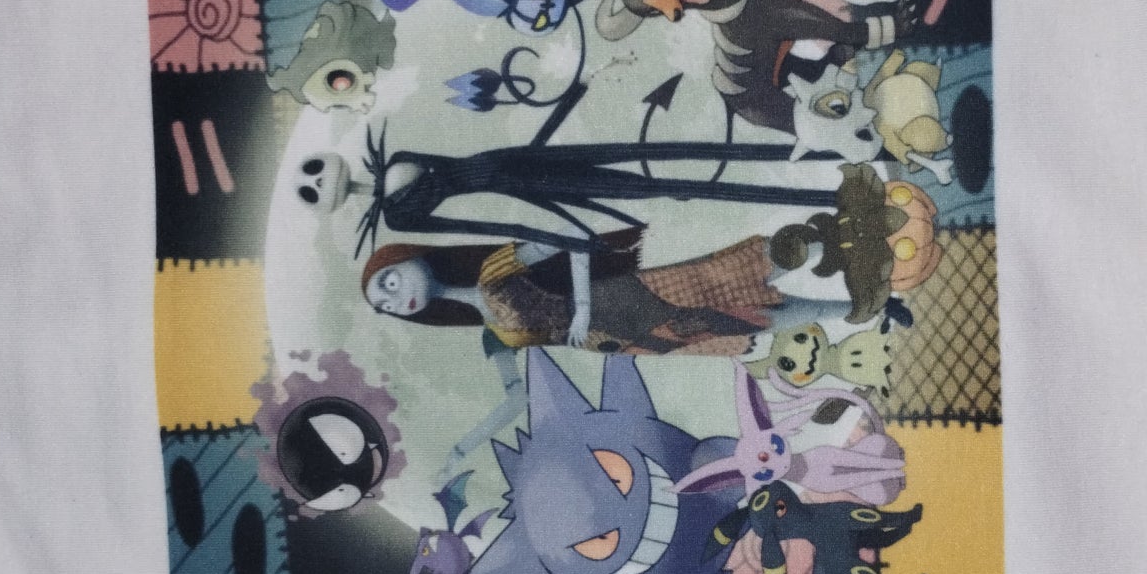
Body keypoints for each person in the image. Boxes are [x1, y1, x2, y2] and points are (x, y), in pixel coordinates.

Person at [360, 227, 852, 358]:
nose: (395, 300)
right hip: (620, 339)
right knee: (745, 322)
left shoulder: (492, 272)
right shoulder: (490, 329)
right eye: (386, 305)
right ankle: (855, 307)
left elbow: (571, 240)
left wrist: (580, 310)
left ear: (408, 256)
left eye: (388, 282)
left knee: (729, 276)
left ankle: (845, 241)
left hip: (624, 296)